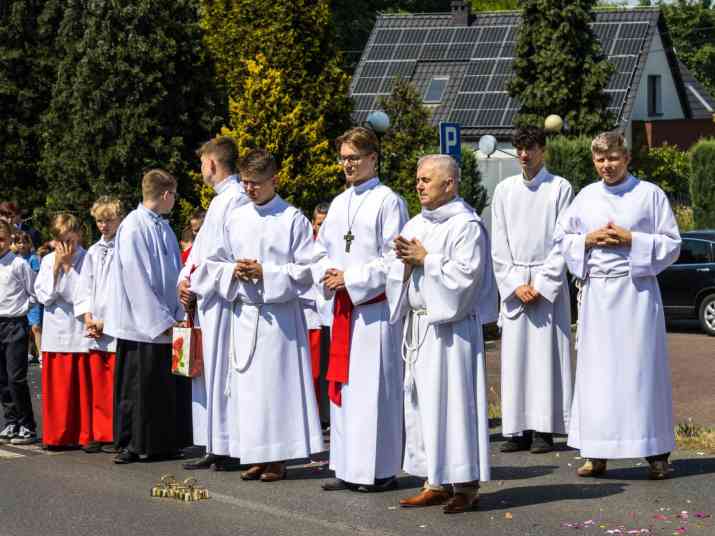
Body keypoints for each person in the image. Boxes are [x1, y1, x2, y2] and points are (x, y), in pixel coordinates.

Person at [191, 149, 323, 482]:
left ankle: (278, 458)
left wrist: (267, 273)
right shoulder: (236, 217)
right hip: (244, 314)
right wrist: (232, 271)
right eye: (246, 182)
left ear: (274, 180)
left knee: (276, 389)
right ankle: (255, 454)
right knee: (249, 391)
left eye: (257, 183)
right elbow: (212, 262)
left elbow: (308, 269)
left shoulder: (291, 218)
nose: (250, 189)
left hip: (279, 317)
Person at [554, 131, 680, 480]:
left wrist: (632, 239)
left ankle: (656, 453)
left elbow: (672, 243)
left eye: (612, 158)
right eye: (600, 160)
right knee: (597, 375)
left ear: (626, 158)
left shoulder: (649, 194)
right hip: (598, 295)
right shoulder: (585, 197)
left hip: (636, 293)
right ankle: (596, 452)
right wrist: (587, 239)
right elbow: (561, 238)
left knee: (642, 372)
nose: (606, 166)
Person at [386, 155, 497, 513]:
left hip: (452, 330)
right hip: (420, 325)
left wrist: (426, 259)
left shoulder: (466, 225)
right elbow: (396, 272)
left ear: (449, 184)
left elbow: (466, 278)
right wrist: (403, 266)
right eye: (418, 179)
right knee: (422, 404)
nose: (418, 185)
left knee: (454, 405)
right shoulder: (415, 223)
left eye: (426, 179)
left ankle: (465, 485)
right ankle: (433, 480)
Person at [313, 127, 408, 492]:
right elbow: (319, 250)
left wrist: (350, 278)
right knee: (346, 390)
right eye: (343, 158)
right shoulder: (339, 203)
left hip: (373, 313)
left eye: (354, 157)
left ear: (373, 158)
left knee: (373, 393)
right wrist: (328, 272)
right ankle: (347, 467)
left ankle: (379, 471)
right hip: (344, 311)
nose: (347, 164)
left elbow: (394, 259)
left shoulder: (388, 201)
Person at [491, 126, 574, 454]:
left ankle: (544, 429)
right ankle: (517, 429)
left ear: (543, 150)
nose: (524, 155)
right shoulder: (504, 190)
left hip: (545, 283)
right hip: (516, 284)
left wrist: (540, 284)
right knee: (516, 360)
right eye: (519, 149)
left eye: (531, 149)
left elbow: (563, 241)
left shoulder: (559, 188)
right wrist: (515, 284)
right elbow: (499, 243)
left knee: (545, 358)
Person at [104, 169, 192, 464]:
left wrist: (178, 311)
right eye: (174, 195)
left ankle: (162, 441)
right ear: (166, 194)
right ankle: (133, 442)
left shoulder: (164, 227)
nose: (175, 201)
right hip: (141, 324)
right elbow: (136, 278)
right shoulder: (133, 226)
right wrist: (161, 321)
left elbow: (173, 272)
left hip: (168, 317)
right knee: (138, 385)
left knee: (162, 386)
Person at [179, 136, 249, 472]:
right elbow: (199, 252)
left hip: (223, 300)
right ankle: (213, 443)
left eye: (201, 164)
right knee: (209, 373)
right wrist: (184, 279)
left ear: (211, 163)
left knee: (223, 373)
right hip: (207, 298)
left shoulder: (235, 199)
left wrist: (194, 282)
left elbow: (227, 256)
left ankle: (228, 445)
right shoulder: (220, 201)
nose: (200, 170)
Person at [34, 213, 89, 448]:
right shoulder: (48, 260)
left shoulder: (87, 258)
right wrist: (56, 268)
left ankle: (81, 435)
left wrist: (68, 268)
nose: (66, 248)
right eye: (61, 242)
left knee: (79, 390)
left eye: (70, 241)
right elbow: (44, 296)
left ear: (79, 236)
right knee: (58, 391)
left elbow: (79, 296)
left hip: (78, 331)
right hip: (55, 332)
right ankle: (57, 435)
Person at [73, 197, 123, 453]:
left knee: (115, 383)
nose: (104, 225)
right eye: (100, 221)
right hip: (95, 326)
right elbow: (84, 288)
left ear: (119, 219)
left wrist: (107, 321)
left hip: (116, 325)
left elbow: (125, 290)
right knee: (98, 383)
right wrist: (88, 317)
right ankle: (99, 432)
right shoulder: (93, 251)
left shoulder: (125, 248)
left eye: (109, 220)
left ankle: (116, 433)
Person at [0, 221, 38, 445]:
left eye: (2, 239)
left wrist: (22, 311)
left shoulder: (19, 264)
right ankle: (11, 421)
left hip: (15, 324)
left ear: (9, 240)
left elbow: (34, 292)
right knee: (2, 378)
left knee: (16, 377)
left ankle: (27, 425)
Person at [11, 231, 42, 363]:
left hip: (32, 296)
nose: (22, 245)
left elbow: (35, 277)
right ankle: (28, 353)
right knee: (26, 328)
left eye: (24, 242)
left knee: (36, 326)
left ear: (29, 244)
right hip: (19, 298)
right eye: (19, 242)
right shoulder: (14, 259)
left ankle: (41, 354)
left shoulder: (33, 259)